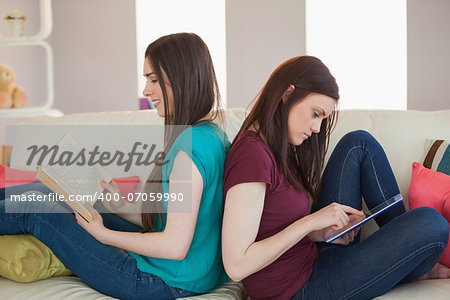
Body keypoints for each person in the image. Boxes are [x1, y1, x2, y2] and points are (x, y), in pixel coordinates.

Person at [0, 32, 230, 300]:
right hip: (185, 271)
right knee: (51, 190)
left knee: (33, 207)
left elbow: (174, 246)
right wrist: (120, 207)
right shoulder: (210, 134)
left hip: (159, 280)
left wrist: (104, 235)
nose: (146, 91)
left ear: (183, 77)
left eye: (154, 80)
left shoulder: (190, 150)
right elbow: (181, 216)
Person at [221, 55, 450, 300]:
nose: (317, 128)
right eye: (315, 113)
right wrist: (310, 222)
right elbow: (236, 266)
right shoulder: (252, 156)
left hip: (313, 259)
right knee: (431, 223)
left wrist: (323, 232)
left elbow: (271, 226)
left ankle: (406, 258)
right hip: (297, 289)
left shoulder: (277, 145)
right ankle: (411, 262)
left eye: (323, 119)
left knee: (359, 144)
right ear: (287, 94)